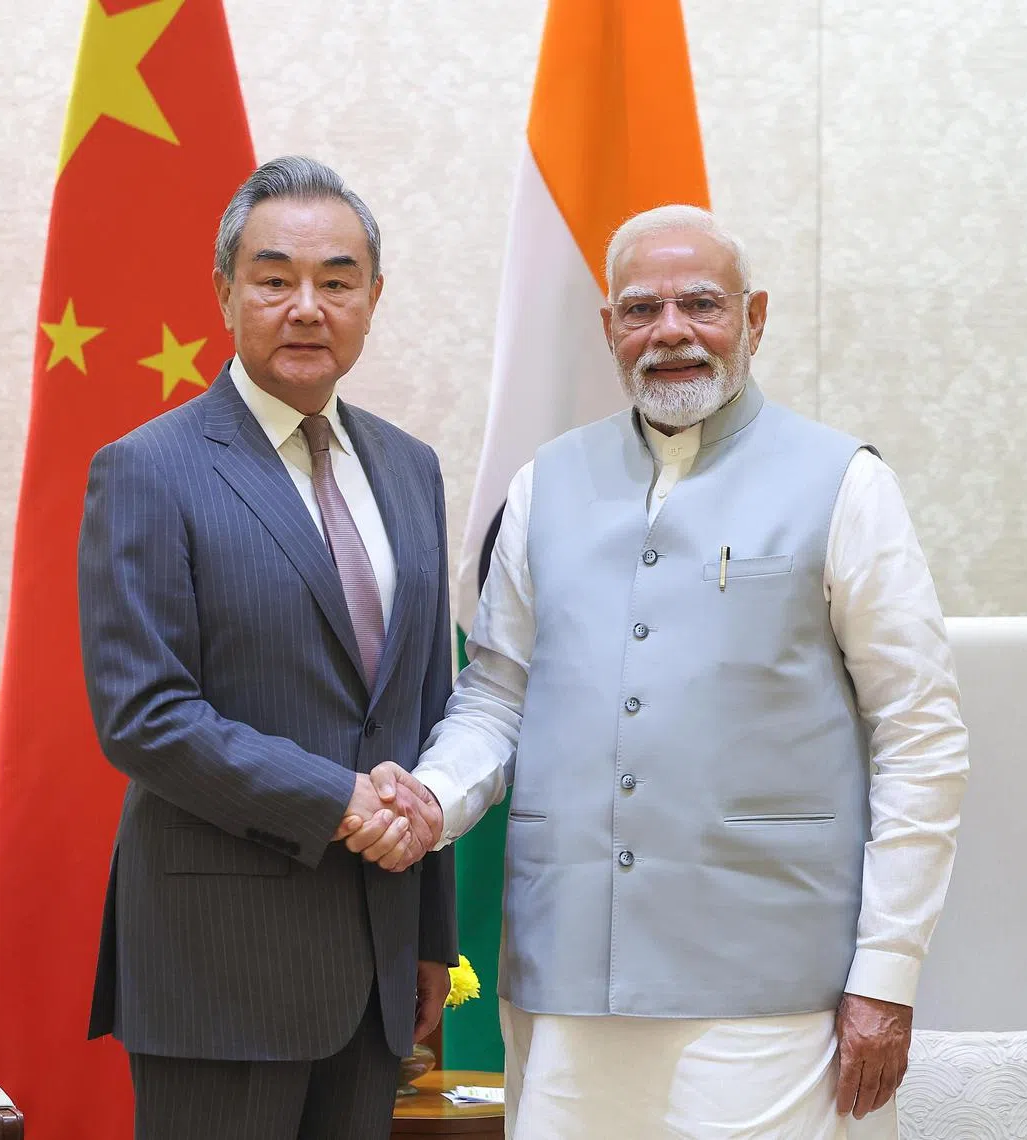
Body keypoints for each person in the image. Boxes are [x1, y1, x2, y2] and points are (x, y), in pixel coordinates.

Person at [381, 205, 969, 1138]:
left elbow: (921, 733)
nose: (672, 333)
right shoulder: (544, 485)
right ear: (608, 329)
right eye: (641, 310)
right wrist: (432, 800)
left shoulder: (845, 481)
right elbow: (495, 696)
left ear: (756, 318)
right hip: (567, 979)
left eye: (701, 304)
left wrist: (886, 974)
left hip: (772, 992)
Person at [78, 155, 453, 1140]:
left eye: (336, 280)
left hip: (376, 967)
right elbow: (144, 716)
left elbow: (425, 713)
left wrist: (431, 941)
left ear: (373, 298)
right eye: (274, 278)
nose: (306, 306)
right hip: (221, 971)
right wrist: (335, 800)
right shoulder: (149, 470)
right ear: (225, 293)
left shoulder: (412, 471)